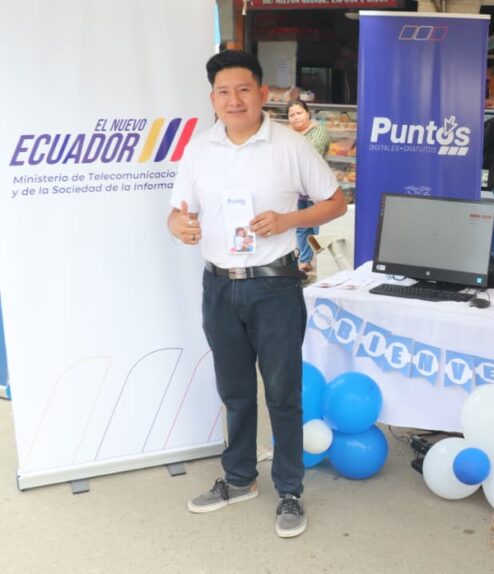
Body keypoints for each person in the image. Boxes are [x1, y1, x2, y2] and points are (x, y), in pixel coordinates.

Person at [167, 50, 348, 538]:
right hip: (218, 285)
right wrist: (179, 226)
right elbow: (176, 212)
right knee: (235, 392)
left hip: (274, 286)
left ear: (263, 93)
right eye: (223, 92)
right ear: (213, 99)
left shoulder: (289, 145)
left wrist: (288, 220)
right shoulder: (199, 149)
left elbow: (335, 202)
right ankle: (239, 478)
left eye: (244, 90)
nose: (234, 100)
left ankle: (289, 488)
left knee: (283, 394)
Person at [286, 99, 331, 273]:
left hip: (316, 189)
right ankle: (304, 261)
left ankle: (323, 261)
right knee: (301, 226)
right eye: (292, 115)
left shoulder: (319, 130)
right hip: (296, 190)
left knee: (318, 227)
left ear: (308, 113)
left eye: (299, 113)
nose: (296, 117)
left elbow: (312, 151)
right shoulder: (287, 134)